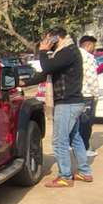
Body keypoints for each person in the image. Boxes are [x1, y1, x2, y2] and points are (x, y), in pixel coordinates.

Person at [29, 27, 93, 188]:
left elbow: (48, 68)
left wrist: (43, 51)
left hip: (67, 103)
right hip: (72, 102)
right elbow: (46, 73)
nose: (45, 42)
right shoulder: (64, 52)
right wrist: (22, 82)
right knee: (75, 138)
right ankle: (85, 172)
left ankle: (65, 176)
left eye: (48, 39)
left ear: (57, 38)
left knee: (59, 142)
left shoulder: (68, 51)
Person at [78, 34, 99, 157]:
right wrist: (96, 94)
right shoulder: (88, 57)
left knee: (78, 123)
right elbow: (92, 78)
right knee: (86, 124)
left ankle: (75, 145)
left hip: (75, 94)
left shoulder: (74, 56)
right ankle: (85, 148)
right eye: (93, 46)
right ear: (88, 45)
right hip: (87, 94)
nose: (94, 49)